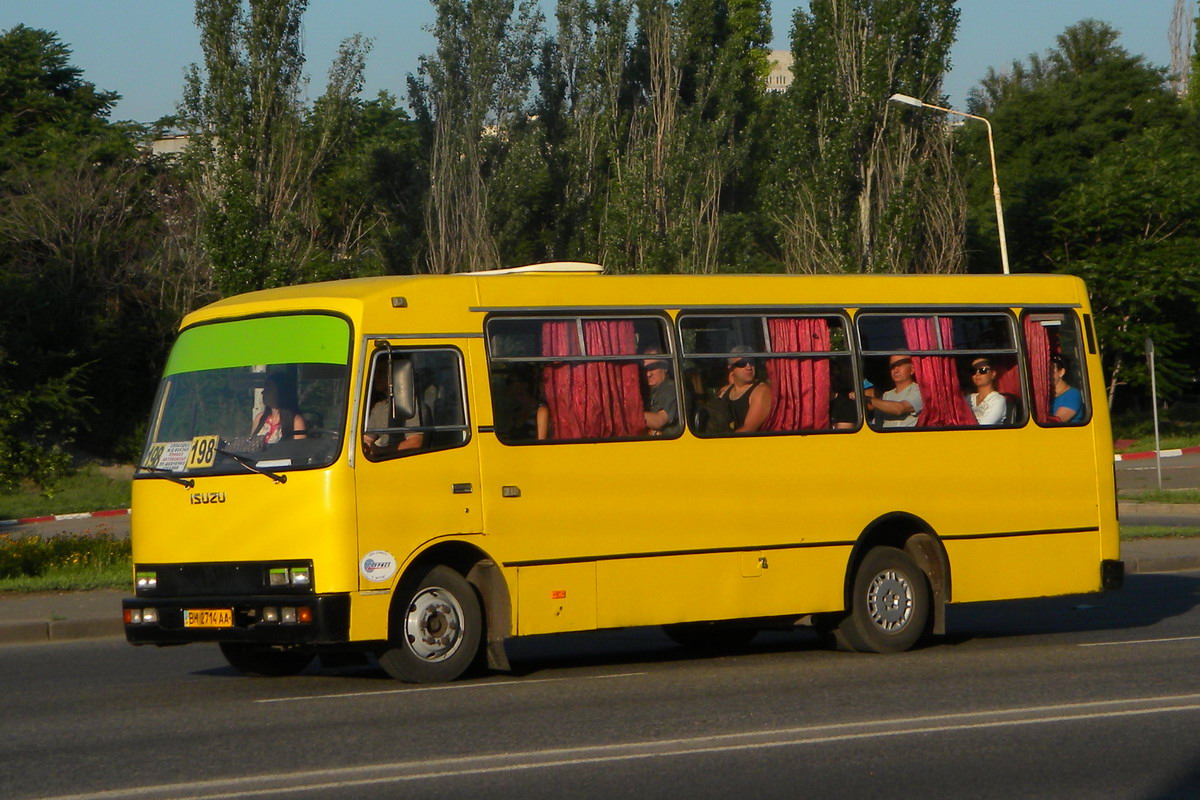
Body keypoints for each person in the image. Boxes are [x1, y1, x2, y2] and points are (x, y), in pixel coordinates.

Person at [363, 362, 424, 456]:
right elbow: (367, 439)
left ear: (395, 375)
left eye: (381, 372)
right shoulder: (379, 407)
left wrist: (380, 451)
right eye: (375, 372)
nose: (376, 376)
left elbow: (415, 442)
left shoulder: (408, 405)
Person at [713, 348, 773, 433]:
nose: (749, 367)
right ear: (731, 368)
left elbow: (748, 429)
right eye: (742, 363)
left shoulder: (761, 391)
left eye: (751, 362)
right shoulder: (725, 390)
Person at [868, 354, 923, 428]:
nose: (895, 370)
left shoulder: (919, 391)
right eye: (892, 366)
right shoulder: (886, 395)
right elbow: (876, 424)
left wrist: (866, 399)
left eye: (900, 365)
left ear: (912, 369)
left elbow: (899, 408)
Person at [252, 375, 306, 444]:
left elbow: (299, 450)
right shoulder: (259, 418)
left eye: (269, 389)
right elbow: (251, 446)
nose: (263, 392)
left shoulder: (296, 421)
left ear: (281, 392)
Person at [641, 349, 682, 437]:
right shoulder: (644, 392)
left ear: (665, 367)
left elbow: (658, 421)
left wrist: (629, 414)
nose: (648, 374)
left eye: (653, 367)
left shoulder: (673, 390)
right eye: (645, 369)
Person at [967, 357, 1007, 426]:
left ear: (993, 374)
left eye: (982, 370)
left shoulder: (998, 400)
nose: (977, 374)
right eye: (973, 371)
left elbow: (982, 426)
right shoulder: (968, 398)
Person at [1051, 355, 1083, 423]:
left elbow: (1056, 422)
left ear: (1062, 372)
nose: (1046, 374)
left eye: (1051, 370)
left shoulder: (1072, 395)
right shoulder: (1046, 395)